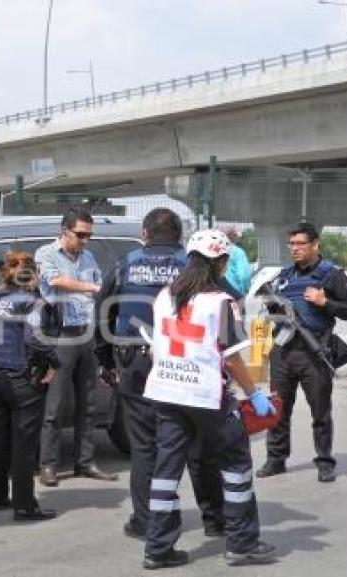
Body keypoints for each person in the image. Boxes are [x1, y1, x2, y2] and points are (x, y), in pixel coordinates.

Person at [141, 229, 276, 569]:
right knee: (236, 466)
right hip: (206, 396)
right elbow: (231, 358)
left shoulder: (164, 296)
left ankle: (157, 548)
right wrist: (255, 394)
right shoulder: (221, 302)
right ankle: (242, 543)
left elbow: (157, 346)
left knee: (165, 470)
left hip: (166, 392)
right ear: (222, 262)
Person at [97, 208, 224, 541]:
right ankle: (214, 519)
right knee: (198, 443)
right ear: (179, 235)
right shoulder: (194, 266)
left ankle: (146, 521)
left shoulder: (125, 264)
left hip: (135, 361)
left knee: (144, 446)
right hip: (188, 363)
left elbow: (102, 311)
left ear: (145, 232)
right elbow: (225, 310)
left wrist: (106, 360)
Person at [257, 222, 347, 483]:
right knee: (278, 409)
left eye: (301, 244)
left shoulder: (330, 275)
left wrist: (324, 302)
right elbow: (270, 306)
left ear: (315, 245)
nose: (295, 249)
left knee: (320, 411)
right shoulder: (284, 275)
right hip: (282, 351)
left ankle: (324, 462)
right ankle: (276, 459)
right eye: (291, 244)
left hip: (314, 351)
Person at [34, 208, 117, 486]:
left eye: (89, 236)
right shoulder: (46, 254)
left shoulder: (88, 257)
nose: (85, 241)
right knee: (54, 405)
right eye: (81, 235)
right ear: (65, 231)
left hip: (86, 333)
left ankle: (85, 462)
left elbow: (98, 286)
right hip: (60, 335)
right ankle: (48, 465)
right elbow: (55, 281)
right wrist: (91, 288)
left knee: (88, 403)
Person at [0, 251, 59, 521]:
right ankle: (25, 506)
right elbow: (35, 338)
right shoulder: (31, 302)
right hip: (22, 379)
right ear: (32, 275)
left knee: (0, 437)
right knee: (24, 444)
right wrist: (55, 361)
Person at [222, 227, 252, 296]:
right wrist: (245, 290)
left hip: (219, 292)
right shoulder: (238, 252)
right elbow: (244, 275)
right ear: (235, 238)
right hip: (235, 293)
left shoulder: (218, 252)